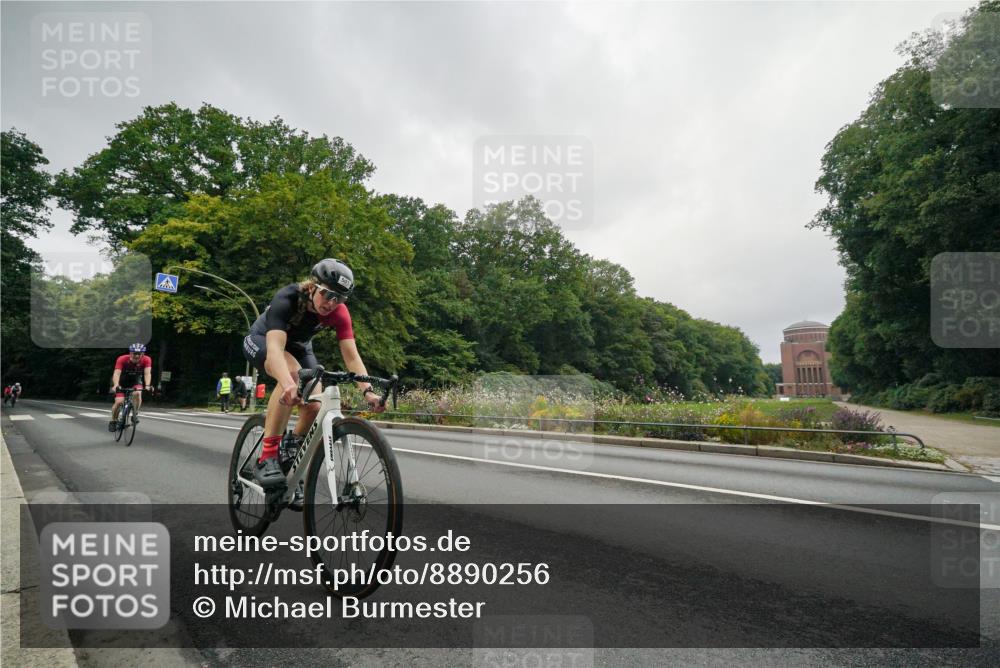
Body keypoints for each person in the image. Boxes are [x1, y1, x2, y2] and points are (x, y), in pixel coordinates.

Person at [242, 258, 384, 495]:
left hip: (299, 347)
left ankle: (289, 452)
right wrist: (288, 383)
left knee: (315, 404)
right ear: (313, 286)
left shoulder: (339, 313)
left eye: (339, 298)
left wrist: (367, 391)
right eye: (327, 294)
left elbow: (351, 356)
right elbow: (276, 349)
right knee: (293, 376)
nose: (331, 303)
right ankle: (267, 457)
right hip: (262, 340)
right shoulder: (288, 298)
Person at [110, 344, 152, 431]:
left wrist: (147, 385)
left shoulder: (147, 359)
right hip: (122, 381)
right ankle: (113, 421)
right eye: (134, 353)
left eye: (139, 354)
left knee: (137, 393)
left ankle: (135, 414)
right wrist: (116, 385)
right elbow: (117, 373)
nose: (136, 356)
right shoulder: (122, 359)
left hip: (135, 381)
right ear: (130, 353)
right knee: (119, 402)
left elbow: (147, 373)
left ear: (142, 354)